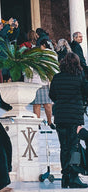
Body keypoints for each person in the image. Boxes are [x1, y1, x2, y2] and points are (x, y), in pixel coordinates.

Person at [49, 52, 88, 188]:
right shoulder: (79, 77)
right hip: (74, 117)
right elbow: (85, 93)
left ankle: (65, 176)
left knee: (63, 147)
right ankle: (74, 176)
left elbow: (52, 95)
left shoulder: (57, 77)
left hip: (60, 116)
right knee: (74, 147)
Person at [26, 39, 56, 127]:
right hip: (41, 81)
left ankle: (46, 122)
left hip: (41, 81)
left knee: (42, 104)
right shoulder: (49, 54)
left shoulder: (42, 54)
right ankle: (43, 122)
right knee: (42, 104)